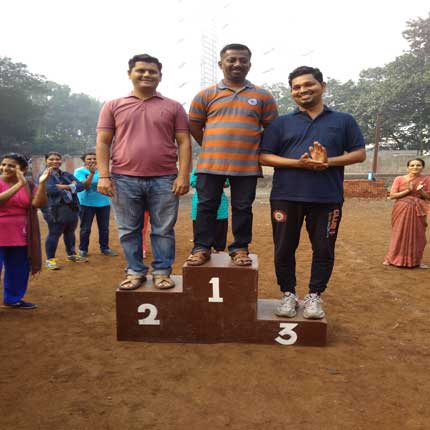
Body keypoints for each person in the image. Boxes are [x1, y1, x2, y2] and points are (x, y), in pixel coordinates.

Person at [259, 66, 366, 319]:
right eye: (296, 87)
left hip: (327, 198)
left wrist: (329, 161)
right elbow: (264, 156)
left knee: (324, 249)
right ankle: (287, 294)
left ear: (323, 86)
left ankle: (314, 296)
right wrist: (298, 163)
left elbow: (359, 154)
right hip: (286, 196)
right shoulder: (281, 123)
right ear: (292, 93)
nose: (303, 90)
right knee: (284, 248)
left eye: (309, 85)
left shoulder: (343, 120)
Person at [96, 53, 191, 290]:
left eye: (152, 71)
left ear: (160, 76)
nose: (147, 75)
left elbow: (184, 142)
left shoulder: (173, 107)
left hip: (165, 178)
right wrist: (104, 175)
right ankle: (135, 270)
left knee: (163, 229)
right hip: (123, 178)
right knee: (129, 230)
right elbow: (103, 142)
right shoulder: (113, 105)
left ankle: (161, 271)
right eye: (141, 70)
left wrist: (183, 175)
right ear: (130, 74)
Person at [186, 43, 278, 267]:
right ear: (221, 64)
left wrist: (252, 149)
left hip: (246, 165)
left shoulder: (262, 96)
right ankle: (201, 247)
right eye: (231, 60)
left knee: (242, 208)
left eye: (242, 60)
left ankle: (240, 248)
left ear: (249, 64)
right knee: (206, 206)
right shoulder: (205, 95)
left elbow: (272, 129)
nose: (237, 64)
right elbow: (195, 126)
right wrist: (211, 147)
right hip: (210, 164)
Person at [0, 153, 50, 309]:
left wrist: (41, 184)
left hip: (20, 233)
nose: (5, 168)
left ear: (23, 169)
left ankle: (13, 299)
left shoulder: (29, 185)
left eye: (11, 165)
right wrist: (18, 185)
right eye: (3, 164)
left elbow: (38, 203)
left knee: (18, 268)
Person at [40, 152, 87, 270]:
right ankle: (50, 260)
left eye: (57, 159)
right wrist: (72, 186)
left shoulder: (66, 174)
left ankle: (71, 255)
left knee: (70, 232)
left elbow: (81, 186)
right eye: (51, 159)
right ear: (46, 161)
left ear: (61, 161)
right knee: (54, 233)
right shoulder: (45, 175)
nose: (55, 161)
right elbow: (51, 190)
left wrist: (63, 186)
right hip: (53, 208)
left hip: (71, 207)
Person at [384, 158, 430, 268]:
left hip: (418, 210)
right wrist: (407, 191)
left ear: (423, 167)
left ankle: (416, 261)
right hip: (401, 209)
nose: (415, 167)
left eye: (418, 165)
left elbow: (428, 197)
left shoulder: (426, 180)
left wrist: (421, 191)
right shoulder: (399, 179)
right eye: (412, 165)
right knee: (399, 233)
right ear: (407, 167)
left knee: (419, 236)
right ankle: (391, 259)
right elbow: (392, 195)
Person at [74, 152, 118, 258]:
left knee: (104, 228)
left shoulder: (103, 171)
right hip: (86, 203)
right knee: (85, 228)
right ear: (84, 160)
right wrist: (92, 174)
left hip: (103, 203)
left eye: (94, 158)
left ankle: (105, 248)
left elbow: (110, 184)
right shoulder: (79, 171)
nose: (92, 160)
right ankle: (83, 249)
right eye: (89, 159)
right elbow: (84, 186)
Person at [190, 167, 229, 252]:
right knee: (201, 226)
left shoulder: (223, 168)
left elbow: (227, 182)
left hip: (220, 209)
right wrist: (208, 184)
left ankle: (219, 250)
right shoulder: (198, 167)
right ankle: (201, 249)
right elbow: (192, 182)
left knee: (219, 232)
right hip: (199, 203)